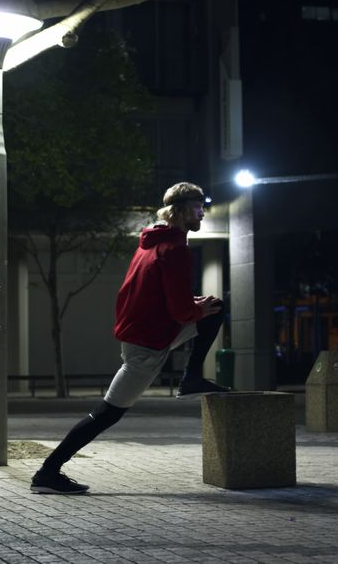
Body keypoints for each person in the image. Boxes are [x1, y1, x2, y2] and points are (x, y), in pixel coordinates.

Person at [31, 182, 231, 495]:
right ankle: (47, 472)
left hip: (145, 333)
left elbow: (157, 296)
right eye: (196, 207)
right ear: (180, 211)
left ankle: (191, 378)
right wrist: (194, 309)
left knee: (214, 307)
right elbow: (179, 311)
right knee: (105, 414)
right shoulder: (176, 248)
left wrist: (195, 305)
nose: (202, 213)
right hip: (149, 344)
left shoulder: (151, 243)